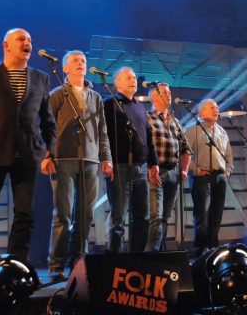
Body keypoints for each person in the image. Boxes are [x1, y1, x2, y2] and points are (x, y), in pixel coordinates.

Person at [0, 28, 57, 288]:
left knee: (25, 214)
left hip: (28, 153)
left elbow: (48, 121)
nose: (27, 43)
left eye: (29, 40)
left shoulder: (41, 77)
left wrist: (49, 150)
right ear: (6, 45)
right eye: (21, 40)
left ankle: (16, 268)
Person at [48, 50, 113, 281]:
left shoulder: (95, 97)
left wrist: (106, 158)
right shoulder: (57, 94)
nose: (81, 64)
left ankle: (79, 261)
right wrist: (47, 154)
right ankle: (56, 264)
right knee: (63, 214)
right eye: (75, 61)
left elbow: (102, 131)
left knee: (85, 215)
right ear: (65, 68)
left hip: (91, 160)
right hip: (63, 159)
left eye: (83, 61)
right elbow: (45, 127)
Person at [104, 67, 160, 254]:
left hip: (140, 168)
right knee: (118, 217)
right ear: (117, 82)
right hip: (119, 166)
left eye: (135, 77)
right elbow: (104, 136)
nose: (133, 80)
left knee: (142, 216)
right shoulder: (109, 104)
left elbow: (149, 138)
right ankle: (114, 259)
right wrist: (107, 160)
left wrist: (153, 164)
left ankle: (137, 257)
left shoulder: (139, 106)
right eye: (128, 77)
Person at [145, 83, 192, 251]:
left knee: (165, 217)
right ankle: (151, 255)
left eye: (170, 91)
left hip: (173, 173)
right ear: (154, 96)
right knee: (156, 217)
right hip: (155, 172)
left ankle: (160, 253)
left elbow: (186, 149)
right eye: (165, 92)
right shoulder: (147, 117)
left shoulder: (176, 122)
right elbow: (143, 147)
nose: (169, 94)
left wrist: (185, 170)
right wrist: (150, 166)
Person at [185, 99, 233, 254]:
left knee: (216, 215)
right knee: (203, 216)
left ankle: (213, 248)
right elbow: (184, 154)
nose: (216, 110)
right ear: (201, 112)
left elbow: (228, 155)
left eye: (217, 107)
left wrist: (227, 171)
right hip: (201, 177)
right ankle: (201, 250)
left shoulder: (221, 130)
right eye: (212, 107)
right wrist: (195, 170)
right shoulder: (193, 130)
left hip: (220, 177)